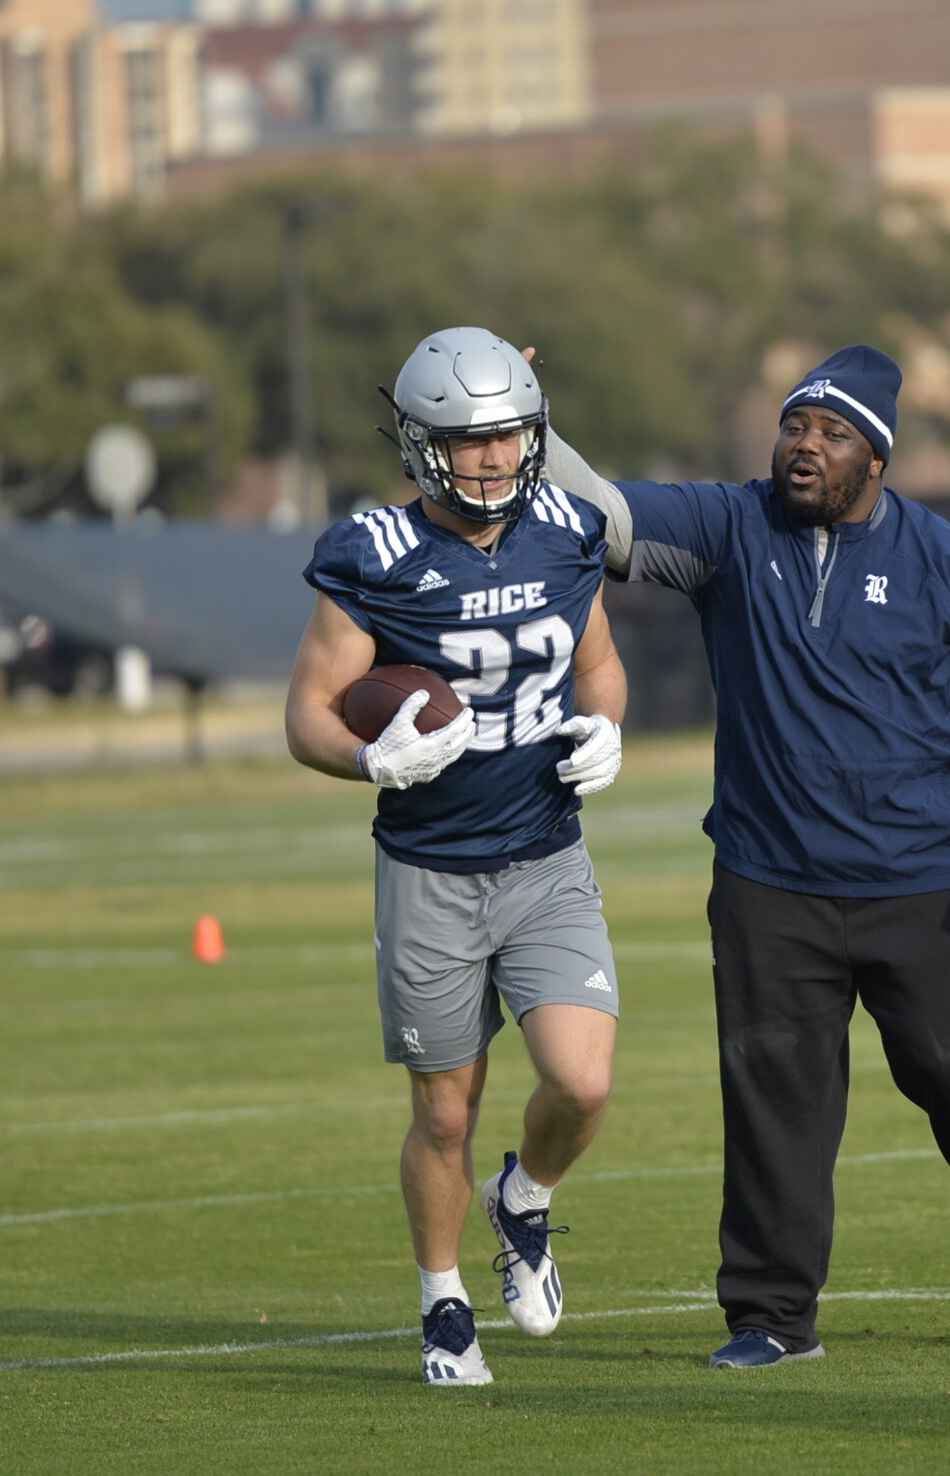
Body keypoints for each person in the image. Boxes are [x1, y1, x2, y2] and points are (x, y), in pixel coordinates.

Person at [539, 342, 950, 1368]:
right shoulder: (730, 527)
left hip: (928, 880)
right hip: (767, 880)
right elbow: (601, 515)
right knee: (772, 1095)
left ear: (875, 457)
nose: (804, 446)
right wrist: (533, 424)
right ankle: (771, 1316)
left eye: (831, 434)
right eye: (794, 425)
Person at [284, 326, 628, 1388]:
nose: (492, 458)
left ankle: (521, 1197)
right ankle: (442, 1303)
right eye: (470, 440)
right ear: (424, 447)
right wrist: (368, 757)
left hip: (544, 855)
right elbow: (306, 712)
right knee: (444, 1110)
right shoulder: (374, 555)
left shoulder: (567, 532)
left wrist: (605, 728)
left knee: (582, 1082)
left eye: (510, 436)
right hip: (430, 867)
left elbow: (601, 665)